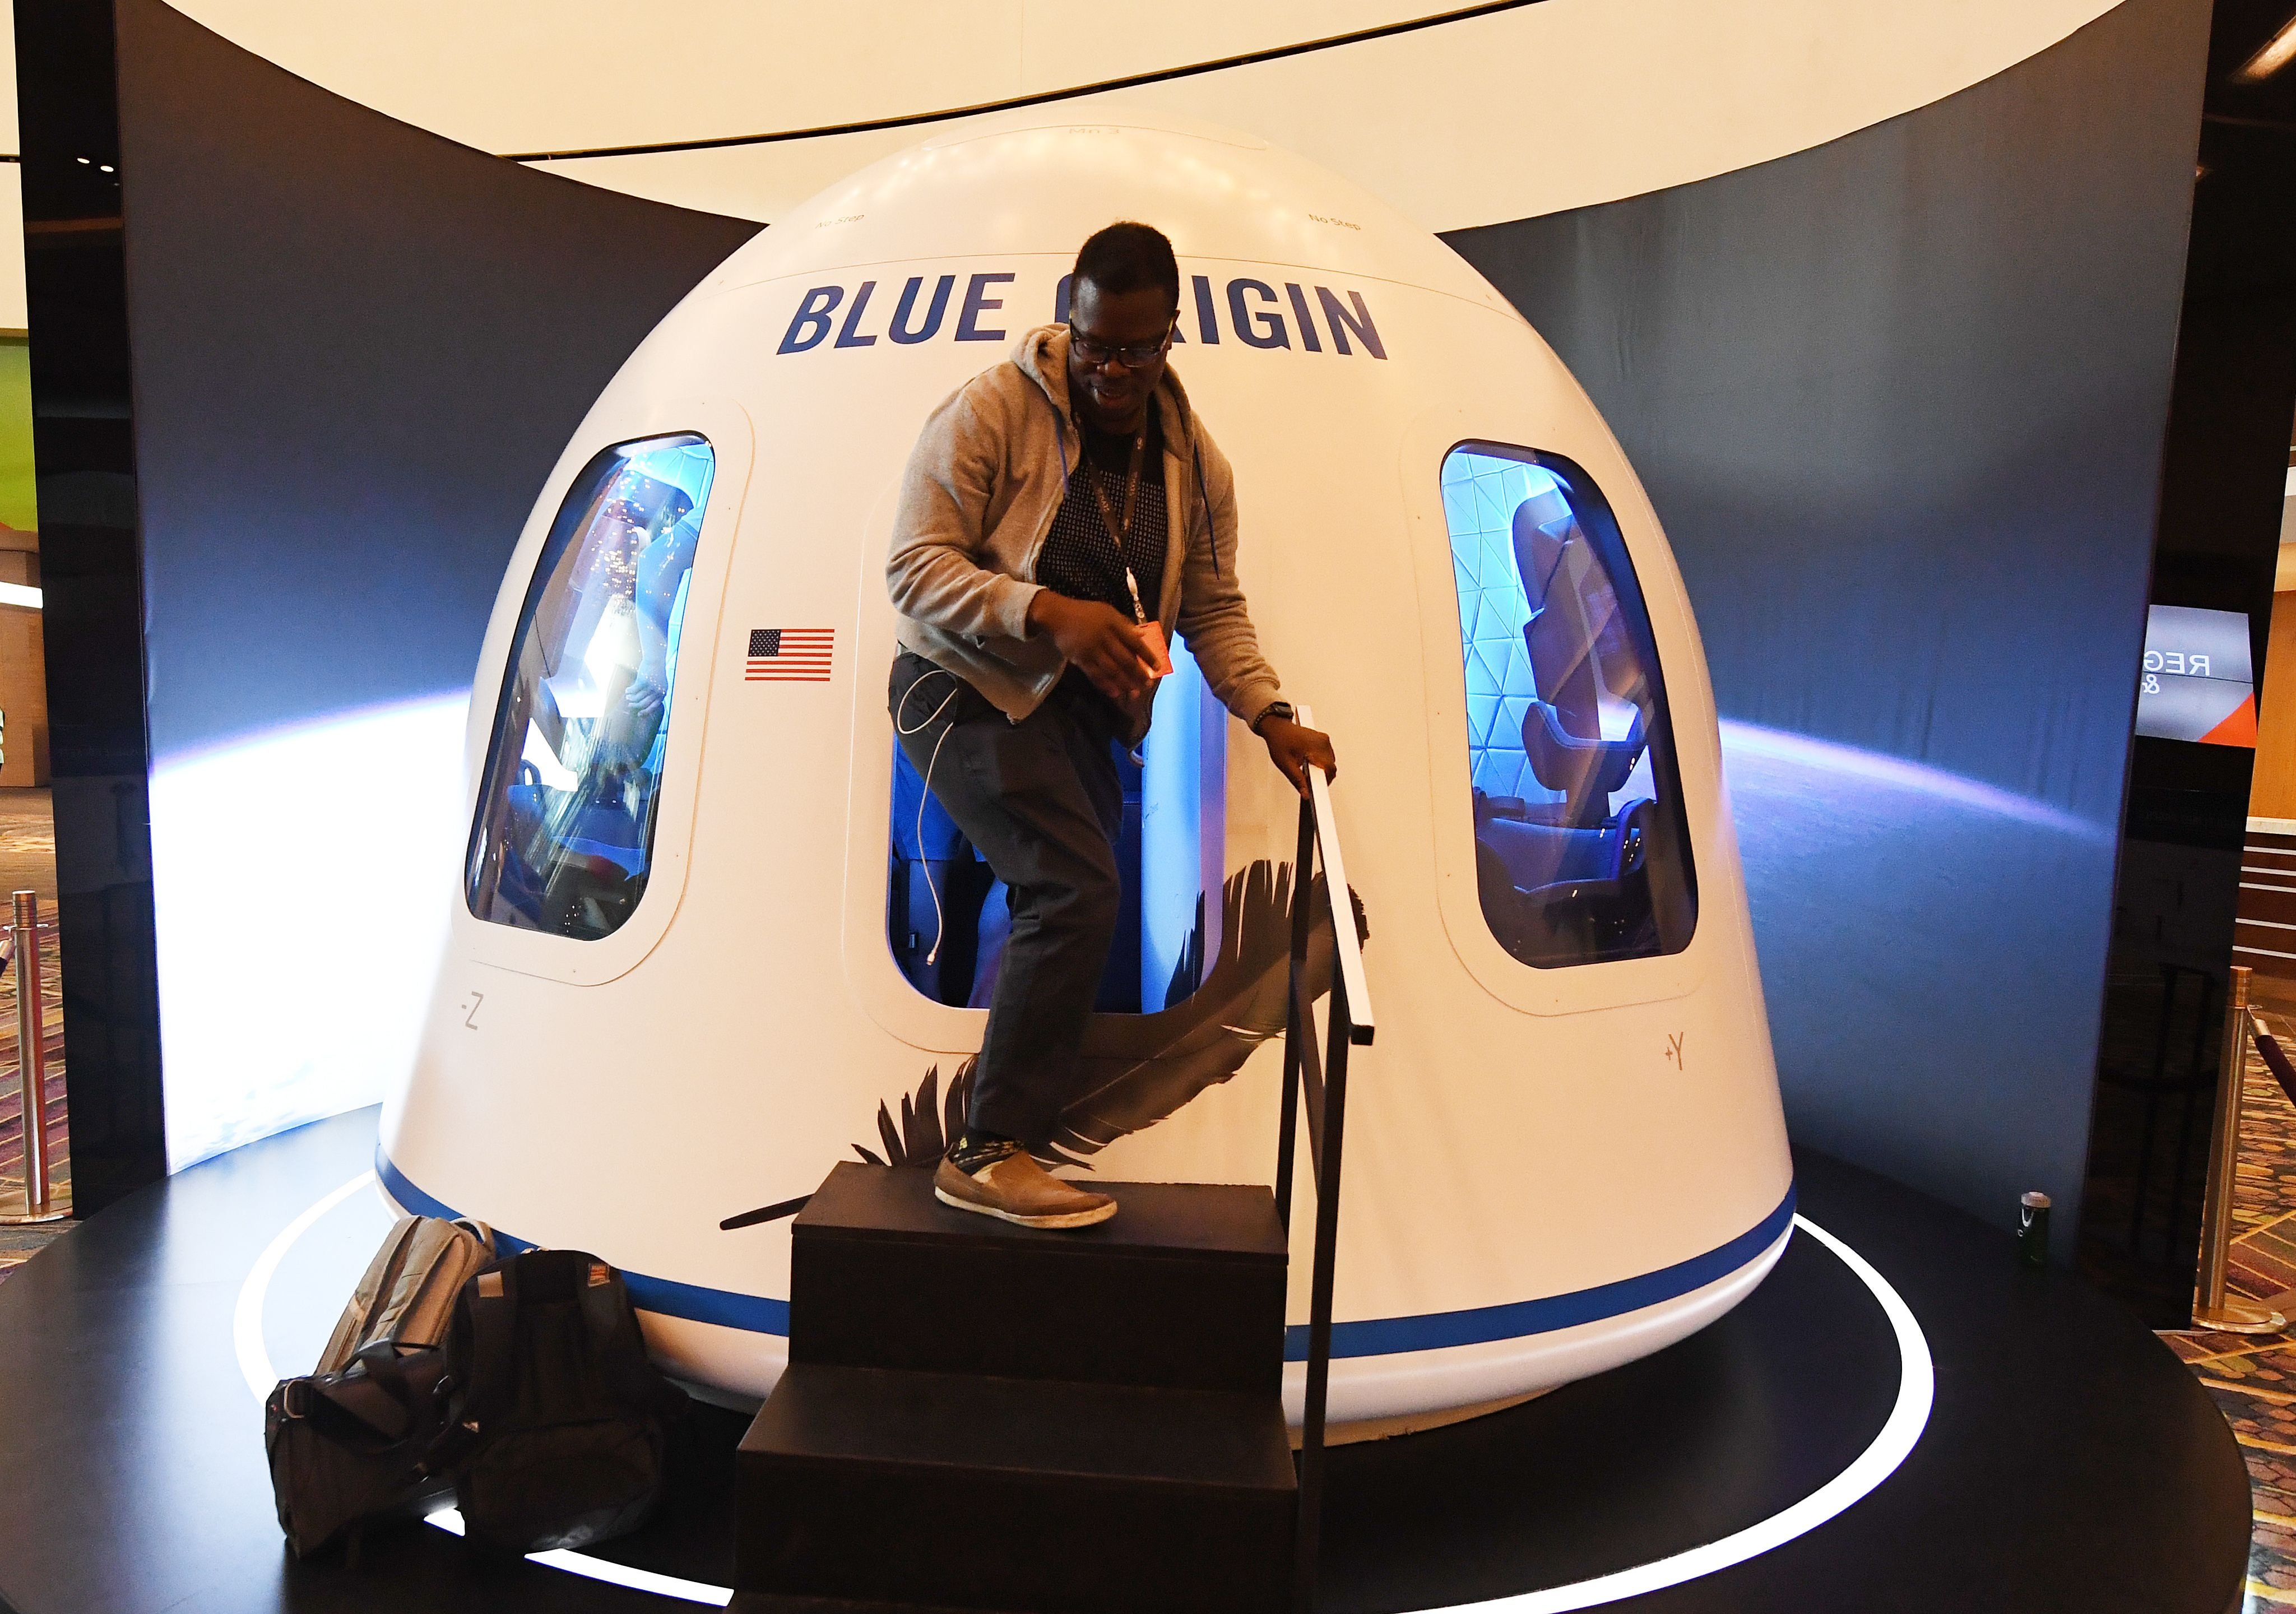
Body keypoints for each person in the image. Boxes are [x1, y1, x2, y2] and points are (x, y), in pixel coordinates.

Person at [887, 220, 1335, 1230]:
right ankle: (987, 1150)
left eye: (1137, 349)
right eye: (1094, 345)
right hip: (960, 689)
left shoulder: (1192, 461)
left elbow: (1214, 607)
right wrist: (1050, 612)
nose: (1112, 370)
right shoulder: (991, 411)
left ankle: (1009, 1138)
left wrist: (1268, 712)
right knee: (1073, 887)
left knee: (1079, 893)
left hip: (1080, 716)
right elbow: (912, 571)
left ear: (1172, 333)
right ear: (1069, 318)